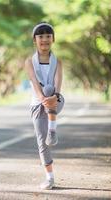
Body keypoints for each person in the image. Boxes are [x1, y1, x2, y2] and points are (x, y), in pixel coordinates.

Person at [24, 22, 64, 190]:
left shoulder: (58, 62)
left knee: (49, 88)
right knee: (42, 142)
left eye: (48, 36)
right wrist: (43, 99)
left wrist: (52, 97)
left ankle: (52, 129)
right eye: (41, 36)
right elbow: (34, 83)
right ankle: (50, 177)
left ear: (53, 39)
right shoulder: (29, 62)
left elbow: (57, 85)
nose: (45, 40)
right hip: (37, 103)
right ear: (35, 40)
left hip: (56, 100)